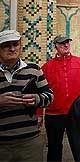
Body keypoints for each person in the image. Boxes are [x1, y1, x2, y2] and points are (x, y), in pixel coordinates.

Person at [0, 30, 54, 162]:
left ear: (20, 46)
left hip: (29, 143)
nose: (12, 49)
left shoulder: (33, 69)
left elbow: (49, 96)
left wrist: (37, 99)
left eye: (15, 44)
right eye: (7, 45)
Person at [38, 34, 80, 162]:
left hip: (76, 113)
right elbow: (40, 92)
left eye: (67, 42)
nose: (66, 45)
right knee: (54, 149)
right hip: (54, 115)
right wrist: (39, 114)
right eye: (62, 43)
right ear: (56, 46)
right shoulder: (47, 67)